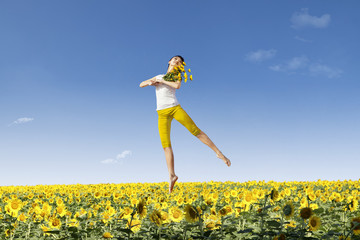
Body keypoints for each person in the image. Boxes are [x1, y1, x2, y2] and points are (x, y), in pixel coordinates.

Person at [139, 55, 231, 194]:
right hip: (161, 113)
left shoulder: (176, 76)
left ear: (180, 66)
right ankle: (172, 175)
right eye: (175, 59)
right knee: (165, 145)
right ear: (169, 61)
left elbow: (177, 86)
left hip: (175, 108)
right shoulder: (160, 76)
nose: (177, 61)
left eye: (180, 61)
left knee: (195, 131)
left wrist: (161, 80)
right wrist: (151, 82)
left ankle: (219, 153)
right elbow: (141, 84)